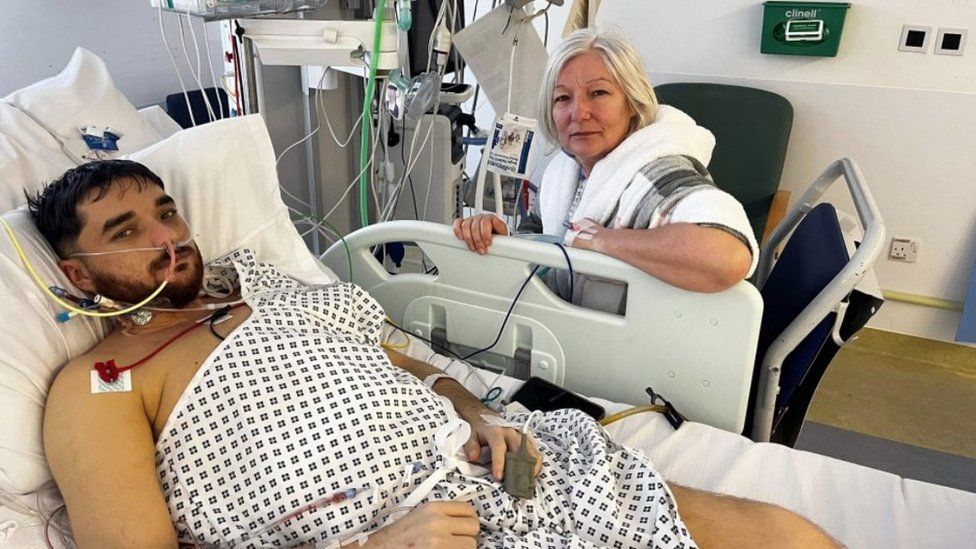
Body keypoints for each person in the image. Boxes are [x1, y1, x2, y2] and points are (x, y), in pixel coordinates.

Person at [32, 160, 837, 548]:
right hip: (399, 536)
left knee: (778, 534)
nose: (167, 238)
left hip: (503, 464)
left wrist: (479, 407)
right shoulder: (102, 384)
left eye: (166, 212)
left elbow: (400, 359)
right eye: (126, 232)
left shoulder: (257, 285)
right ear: (77, 275)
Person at [454, 27, 757, 311]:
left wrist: (601, 241)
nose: (579, 113)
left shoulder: (655, 175)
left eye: (598, 93)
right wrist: (500, 237)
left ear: (632, 103)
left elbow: (729, 256)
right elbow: (544, 232)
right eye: (562, 98)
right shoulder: (565, 172)